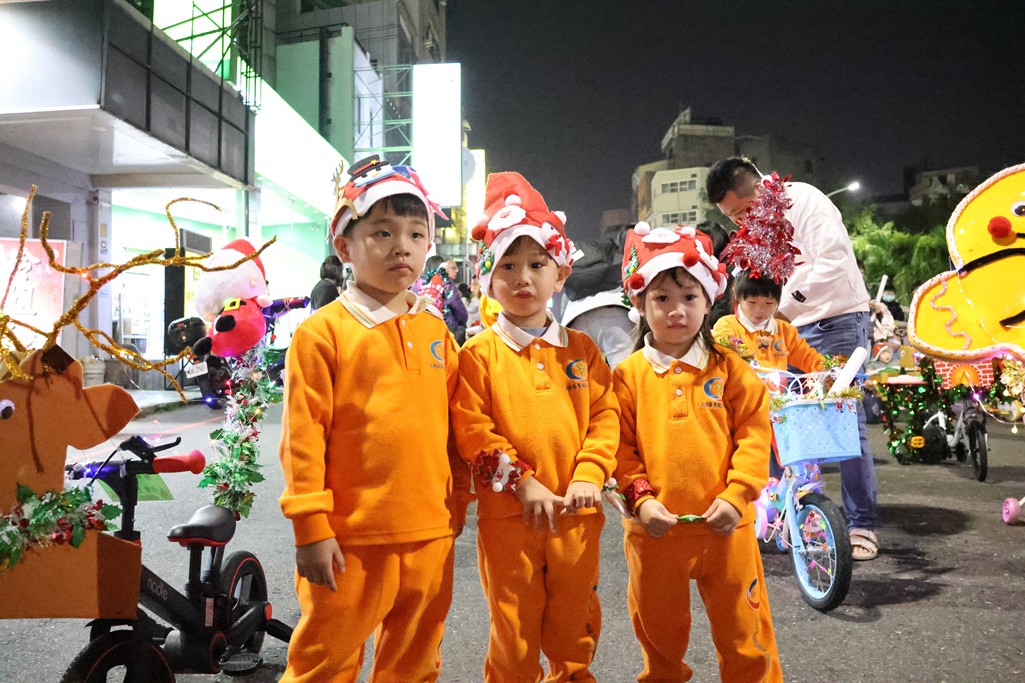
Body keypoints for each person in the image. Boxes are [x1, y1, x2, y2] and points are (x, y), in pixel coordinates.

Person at [277, 155, 472, 682]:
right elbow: (302, 438)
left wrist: (458, 501)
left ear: (429, 246)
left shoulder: (436, 330)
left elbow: (455, 425)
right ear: (345, 246)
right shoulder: (322, 334)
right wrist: (310, 528)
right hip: (349, 540)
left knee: (415, 664)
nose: (401, 246)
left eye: (415, 234)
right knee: (324, 663)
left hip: (430, 531)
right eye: (382, 232)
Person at [451, 171, 619, 682]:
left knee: (576, 626)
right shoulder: (477, 354)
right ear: (488, 278)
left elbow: (605, 417)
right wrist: (522, 482)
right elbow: (472, 430)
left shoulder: (582, 350)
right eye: (508, 265)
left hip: (576, 513)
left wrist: (590, 474)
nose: (522, 278)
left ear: (560, 274)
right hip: (509, 518)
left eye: (536, 265)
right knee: (514, 629)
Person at [612, 222, 782, 682]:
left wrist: (738, 495)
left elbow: (754, 434)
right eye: (661, 298)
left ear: (709, 302)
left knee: (745, 634)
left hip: (727, 529)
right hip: (654, 534)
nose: (676, 310)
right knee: (659, 638)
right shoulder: (626, 377)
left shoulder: (731, 370)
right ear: (640, 304)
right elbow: (619, 450)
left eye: (689, 297)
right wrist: (641, 501)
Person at [707, 155, 879, 561]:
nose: (739, 222)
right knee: (777, 418)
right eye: (731, 218)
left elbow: (833, 263)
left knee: (842, 419)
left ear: (759, 189)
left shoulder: (804, 201)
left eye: (742, 211)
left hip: (835, 320)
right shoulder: (753, 231)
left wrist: (783, 310)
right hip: (784, 327)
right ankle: (787, 515)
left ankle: (861, 524)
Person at [712, 270, 826, 478]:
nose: (760, 310)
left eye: (768, 303)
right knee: (746, 457)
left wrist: (829, 369)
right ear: (737, 297)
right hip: (740, 408)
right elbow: (722, 349)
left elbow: (808, 357)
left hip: (778, 407)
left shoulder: (784, 331)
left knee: (795, 455)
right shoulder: (727, 325)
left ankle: (799, 486)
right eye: (752, 302)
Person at [413, 254, 469, 344]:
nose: (456, 270)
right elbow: (461, 312)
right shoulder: (447, 286)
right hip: (446, 330)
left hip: (421, 331)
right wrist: (459, 326)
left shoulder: (416, 287)